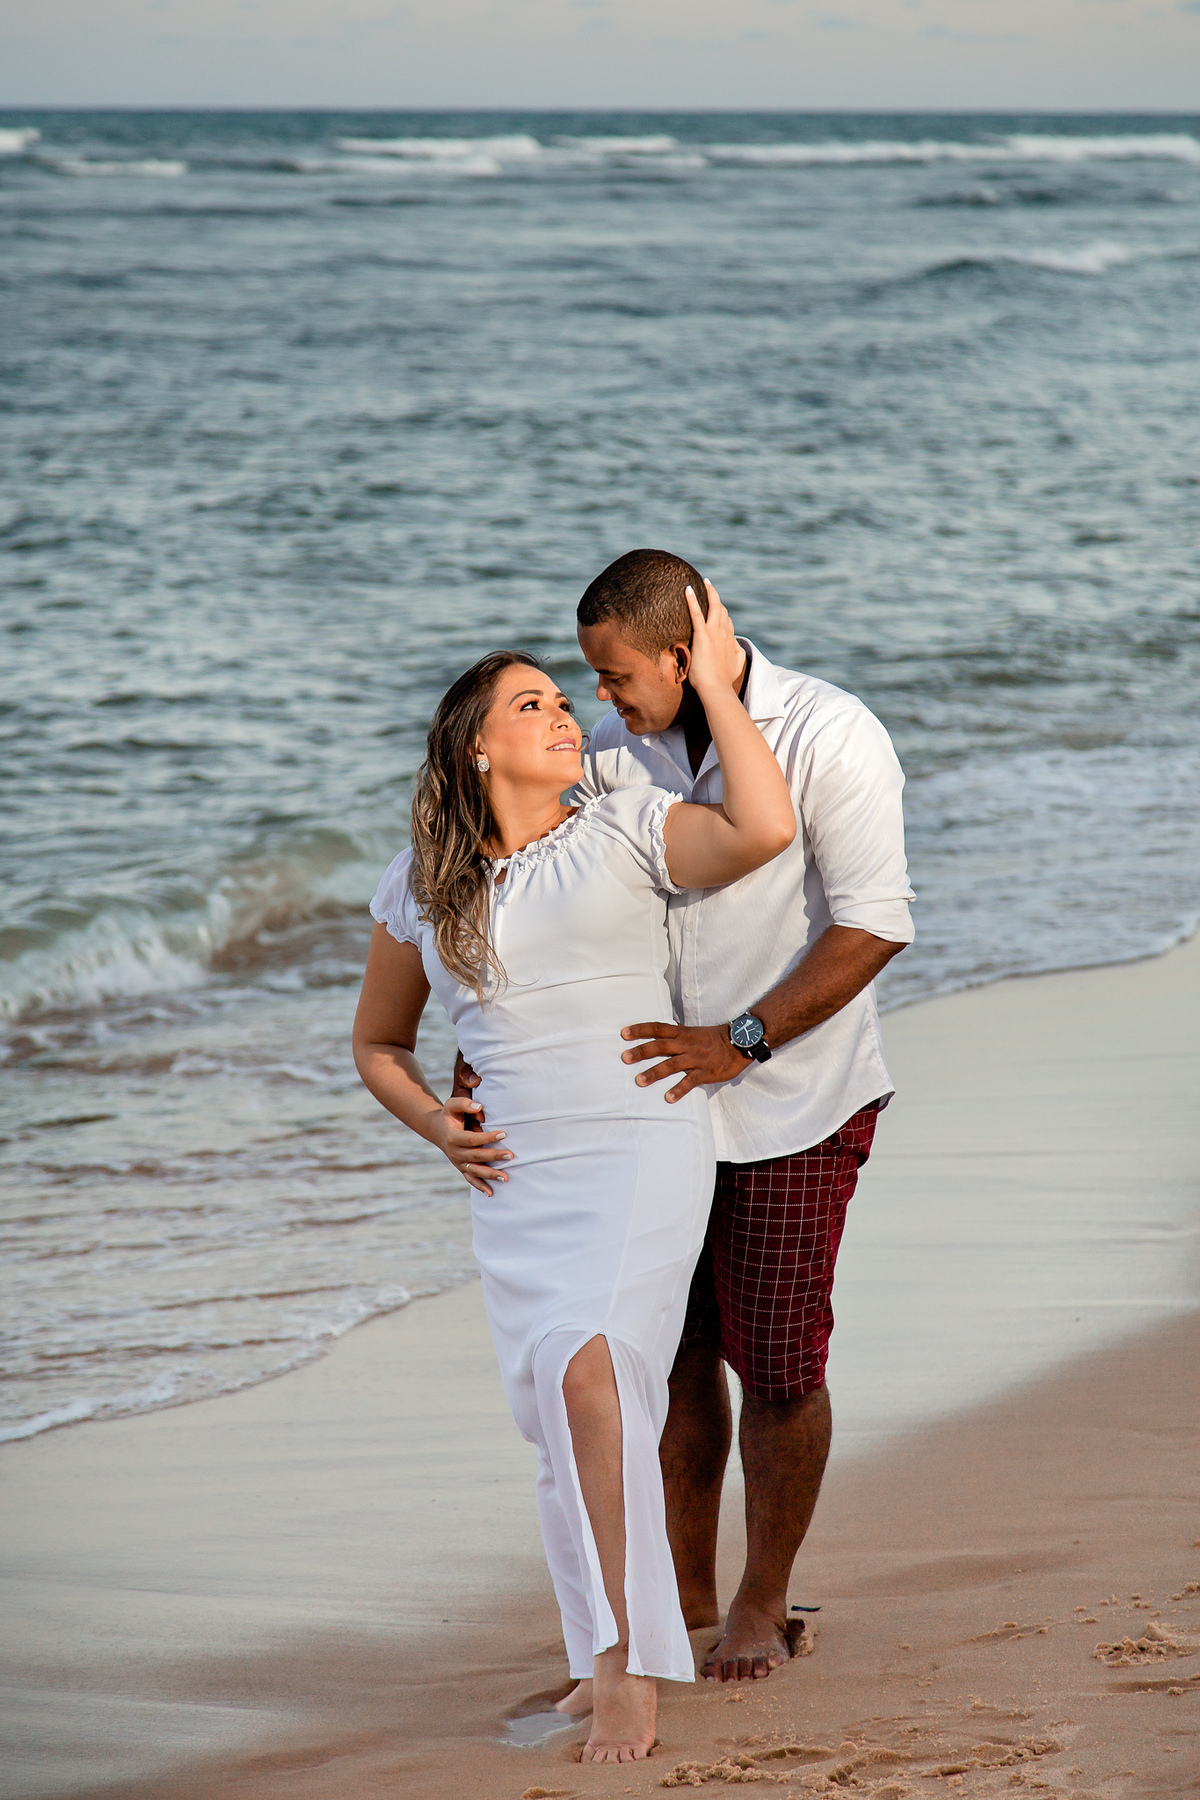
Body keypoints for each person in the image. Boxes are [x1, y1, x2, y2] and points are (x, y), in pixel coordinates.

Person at [352, 588, 794, 1764]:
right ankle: (603, 1638)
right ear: (476, 746)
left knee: (595, 1378)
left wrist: (710, 680)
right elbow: (376, 1047)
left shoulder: (625, 825)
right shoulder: (425, 889)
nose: (565, 717)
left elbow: (761, 830)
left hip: (643, 1147)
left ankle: (625, 1666)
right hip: (523, 1180)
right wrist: (440, 1129)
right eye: (533, 704)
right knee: (563, 1411)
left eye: (564, 698)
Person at [571, 548, 915, 1685]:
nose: (603, 701)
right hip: (653, 1114)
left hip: (794, 1104)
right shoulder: (611, 751)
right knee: (673, 1367)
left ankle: (763, 1604)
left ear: (682, 652)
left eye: (618, 675)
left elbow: (871, 926)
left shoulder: (831, 732)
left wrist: (743, 1041)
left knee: (773, 1366)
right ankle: (689, 1596)